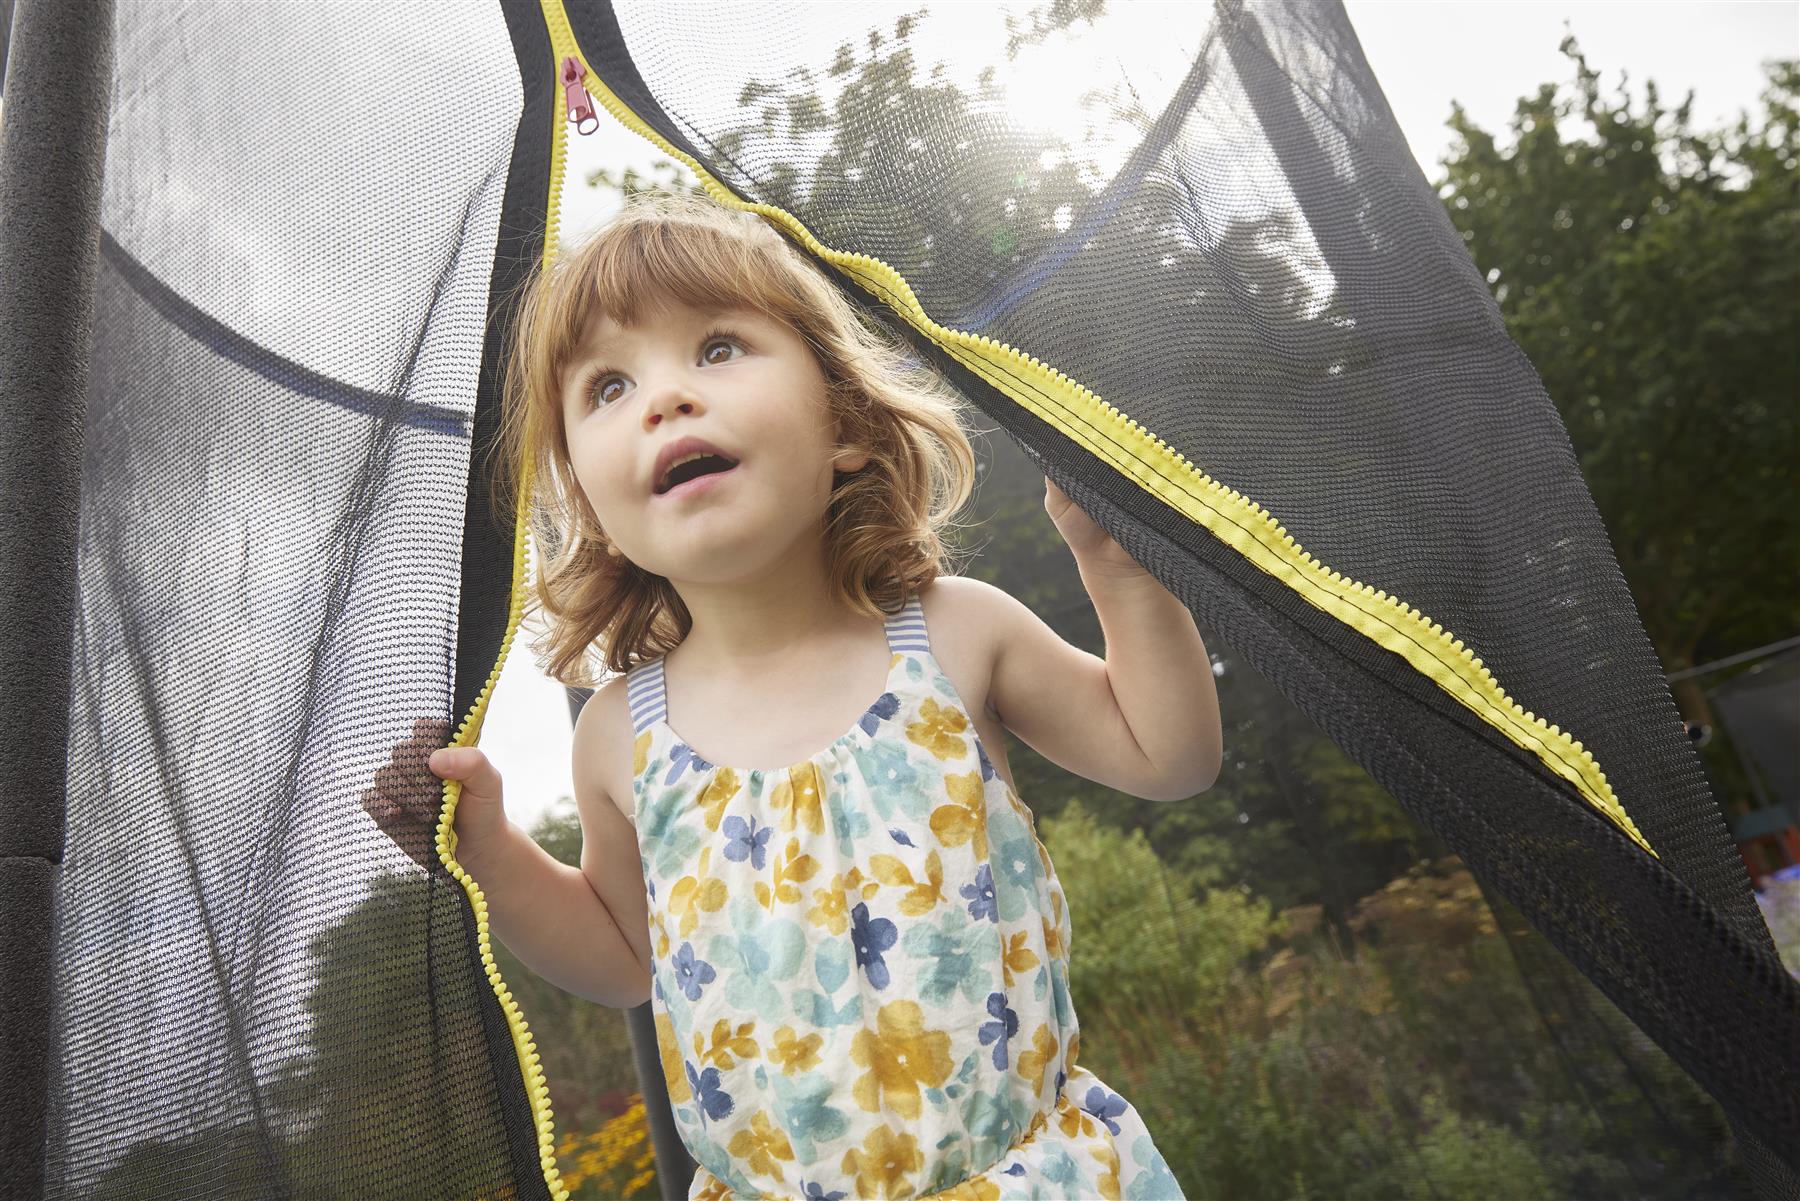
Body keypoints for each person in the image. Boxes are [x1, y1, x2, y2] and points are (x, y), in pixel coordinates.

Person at [422, 189, 1220, 1200]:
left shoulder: (950, 632)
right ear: (591, 501)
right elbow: (626, 959)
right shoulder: (625, 733)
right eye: (609, 386)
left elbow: (1170, 755)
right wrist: (489, 852)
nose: (666, 397)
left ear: (843, 422)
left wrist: (1120, 567)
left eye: (715, 348)